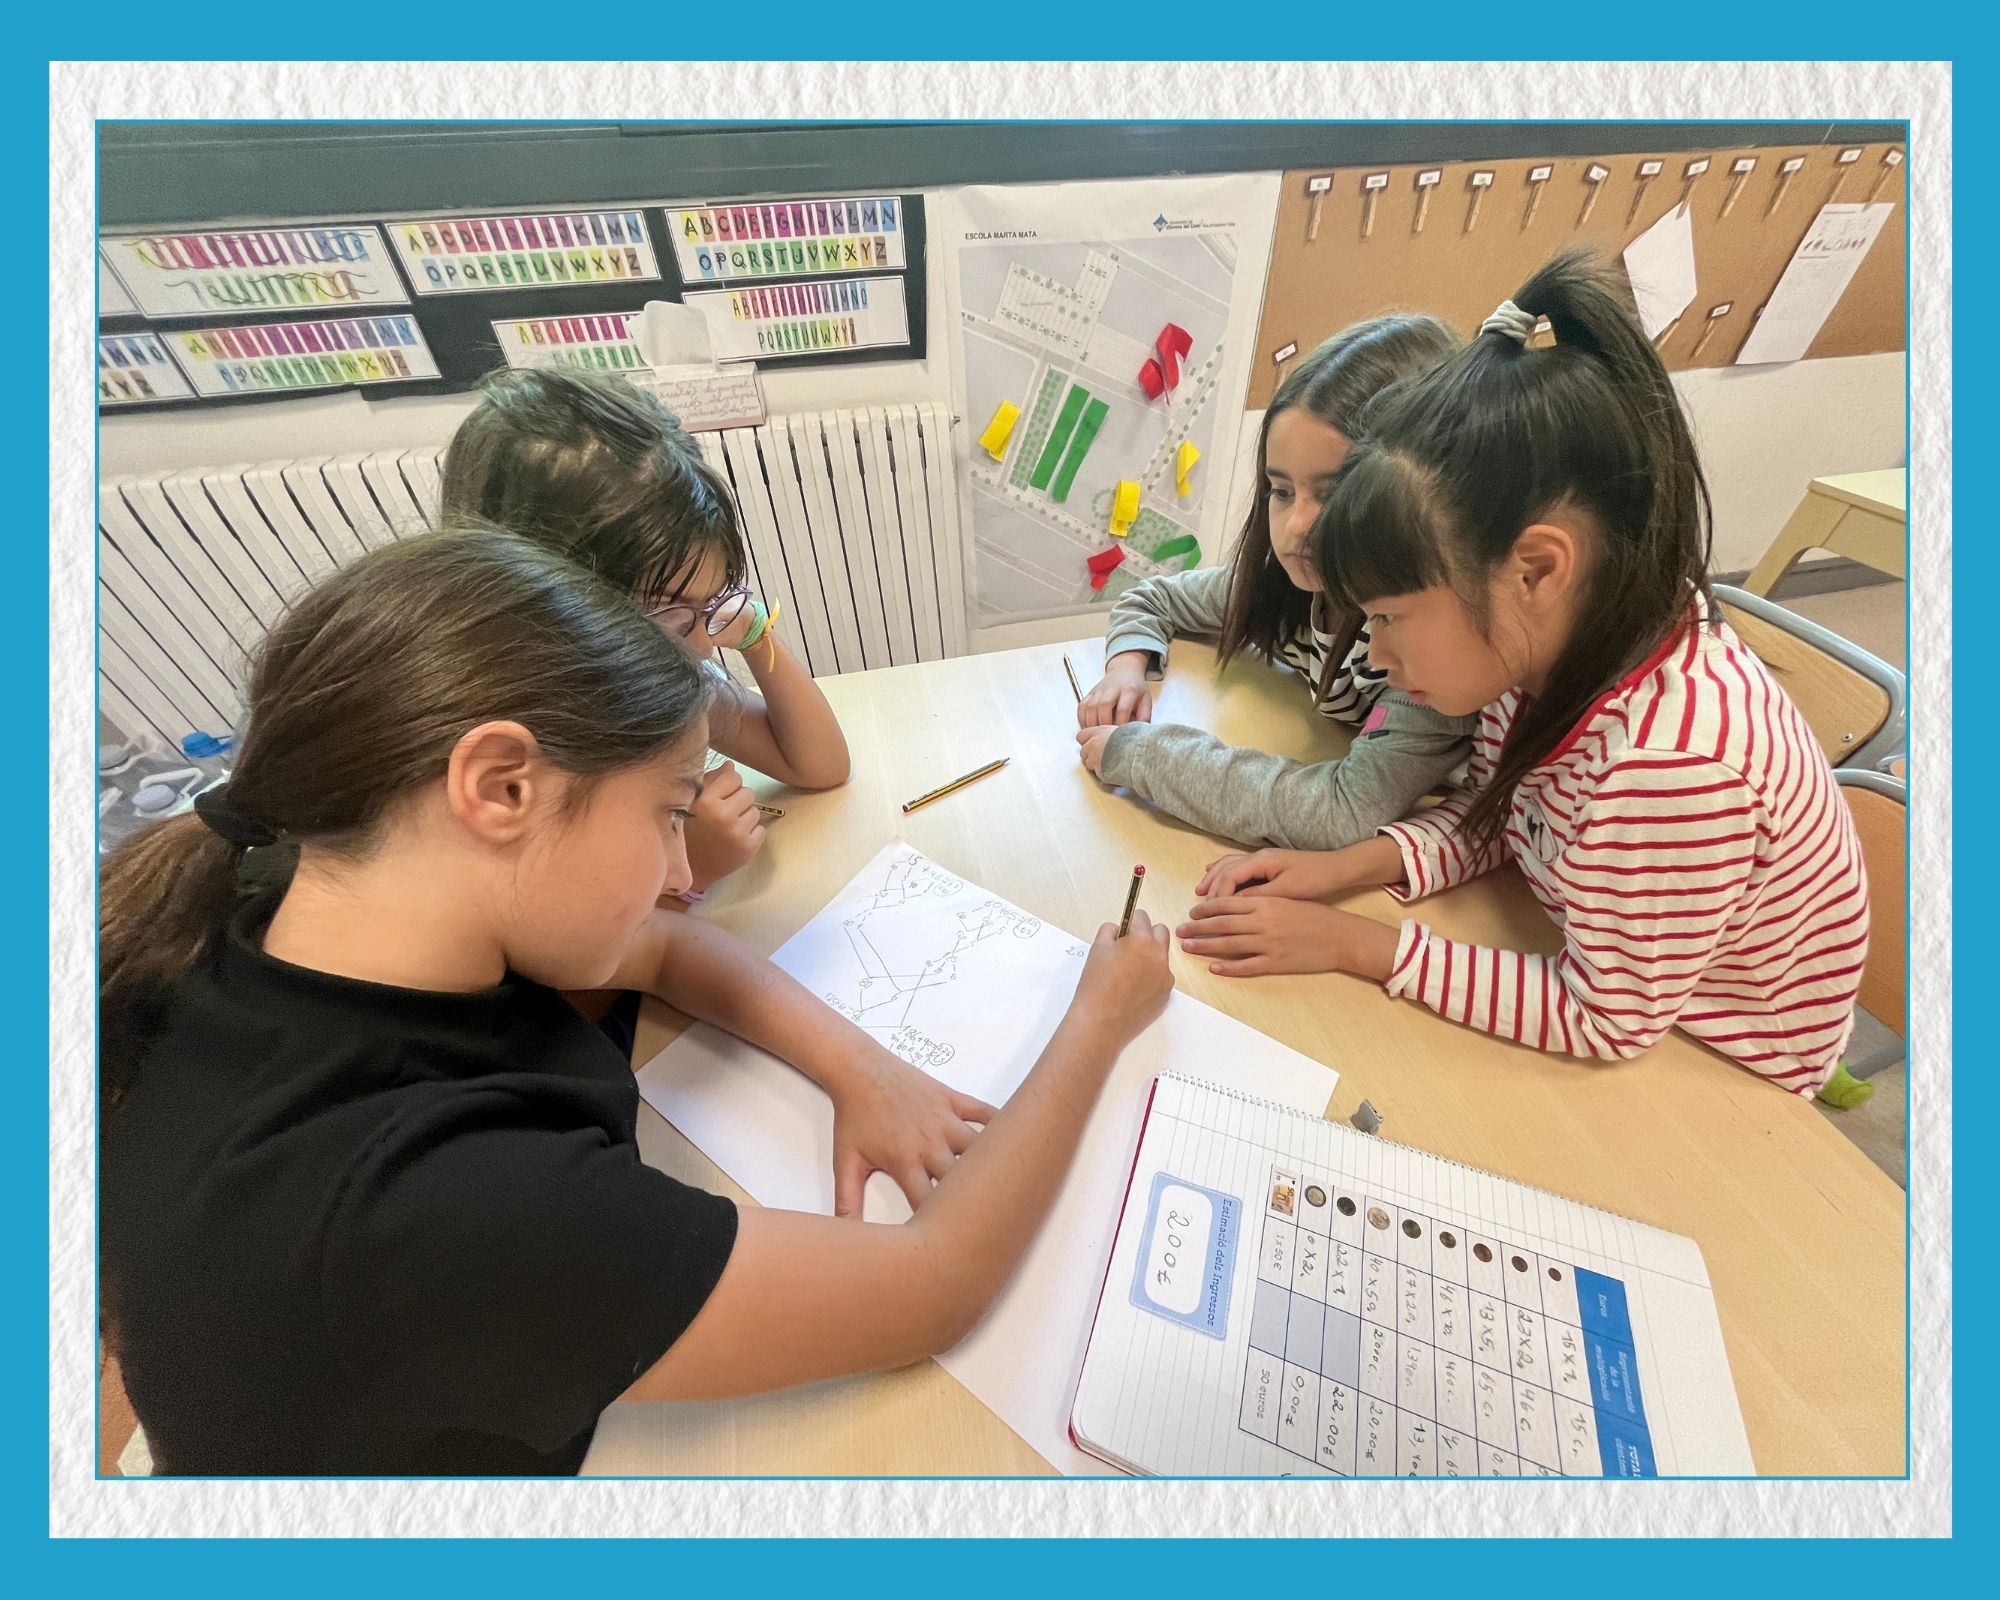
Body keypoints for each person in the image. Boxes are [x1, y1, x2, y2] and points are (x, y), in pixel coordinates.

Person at [99, 528, 1172, 1474]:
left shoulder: (297, 887)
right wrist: (1096, 1018)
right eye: (667, 813)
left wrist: (861, 1065)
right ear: (501, 786)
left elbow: (657, 947)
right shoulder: (446, 1212)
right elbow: (931, 1288)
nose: (681, 868)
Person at [1183, 250, 1867, 1096]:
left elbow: (1604, 1017)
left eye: (1389, 618)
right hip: (1596, 948)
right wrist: (1353, 866)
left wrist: (1358, 944)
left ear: (1536, 570)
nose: (1378, 657)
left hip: (1720, 1066)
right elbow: (1509, 814)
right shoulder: (1547, 648)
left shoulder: (1671, 770)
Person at [442, 367, 850, 896]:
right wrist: (687, 868)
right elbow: (570, 944)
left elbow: (821, 766)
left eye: (712, 600)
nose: (703, 648)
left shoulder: (656, 670)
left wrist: (753, 634)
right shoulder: (516, 756)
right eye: (667, 615)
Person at [1074, 316, 1475, 849]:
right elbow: (1154, 597)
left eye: (1332, 495)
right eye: (1281, 491)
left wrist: (1144, 754)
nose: (1295, 527)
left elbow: (1342, 812)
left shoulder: (1427, 650)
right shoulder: (1282, 587)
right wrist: (1125, 669)